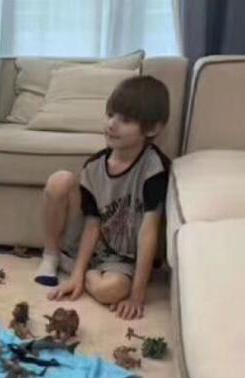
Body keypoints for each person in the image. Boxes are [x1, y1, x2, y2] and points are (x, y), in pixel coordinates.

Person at [36, 76, 172, 320]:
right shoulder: (94, 166)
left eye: (125, 120)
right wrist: (77, 277)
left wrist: (136, 296)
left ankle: (77, 268)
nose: (112, 124)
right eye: (110, 115)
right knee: (59, 180)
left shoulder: (154, 169)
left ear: (152, 129)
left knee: (109, 291)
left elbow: (149, 231)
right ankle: (53, 257)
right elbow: (92, 223)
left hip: (123, 258)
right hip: (95, 243)